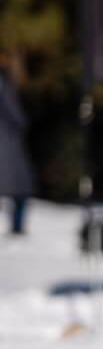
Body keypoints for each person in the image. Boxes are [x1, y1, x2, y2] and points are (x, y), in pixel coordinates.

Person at [0, 54, 31, 237]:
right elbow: (19, 119)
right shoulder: (5, 89)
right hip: (7, 145)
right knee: (20, 188)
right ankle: (17, 226)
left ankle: (17, 226)